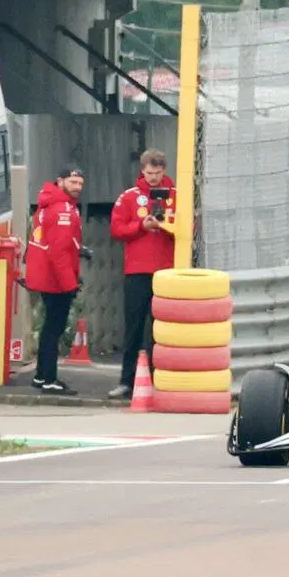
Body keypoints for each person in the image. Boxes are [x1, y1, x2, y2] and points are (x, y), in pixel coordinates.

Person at [107, 150, 177, 402]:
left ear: (164, 170)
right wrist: (141, 226)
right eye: (150, 173)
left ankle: (162, 380)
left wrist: (166, 225)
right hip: (137, 271)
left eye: (158, 173)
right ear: (142, 170)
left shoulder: (177, 196)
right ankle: (127, 381)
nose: (154, 178)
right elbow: (116, 228)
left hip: (167, 272)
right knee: (134, 327)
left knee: (163, 330)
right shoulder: (129, 197)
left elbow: (188, 228)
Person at [23, 165, 87, 396]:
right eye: (73, 182)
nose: (78, 187)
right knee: (54, 328)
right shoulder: (62, 210)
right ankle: (49, 378)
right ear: (60, 181)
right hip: (56, 280)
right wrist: (70, 284)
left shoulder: (46, 204)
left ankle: (41, 376)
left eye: (80, 183)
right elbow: (58, 252)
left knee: (49, 326)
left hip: (45, 276)